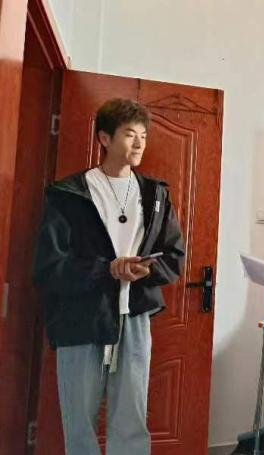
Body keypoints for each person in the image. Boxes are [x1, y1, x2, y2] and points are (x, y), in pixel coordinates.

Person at [32, 98, 185, 454]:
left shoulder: (155, 194)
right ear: (104, 138)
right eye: (130, 134)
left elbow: (174, 256)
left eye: (143, 135)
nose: (139, 143)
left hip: (135, 315)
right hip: (81, 317)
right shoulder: (69, 194)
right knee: (79, 419)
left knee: (132, 418)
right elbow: (49, 266)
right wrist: (106, 269)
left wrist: (146, 269)